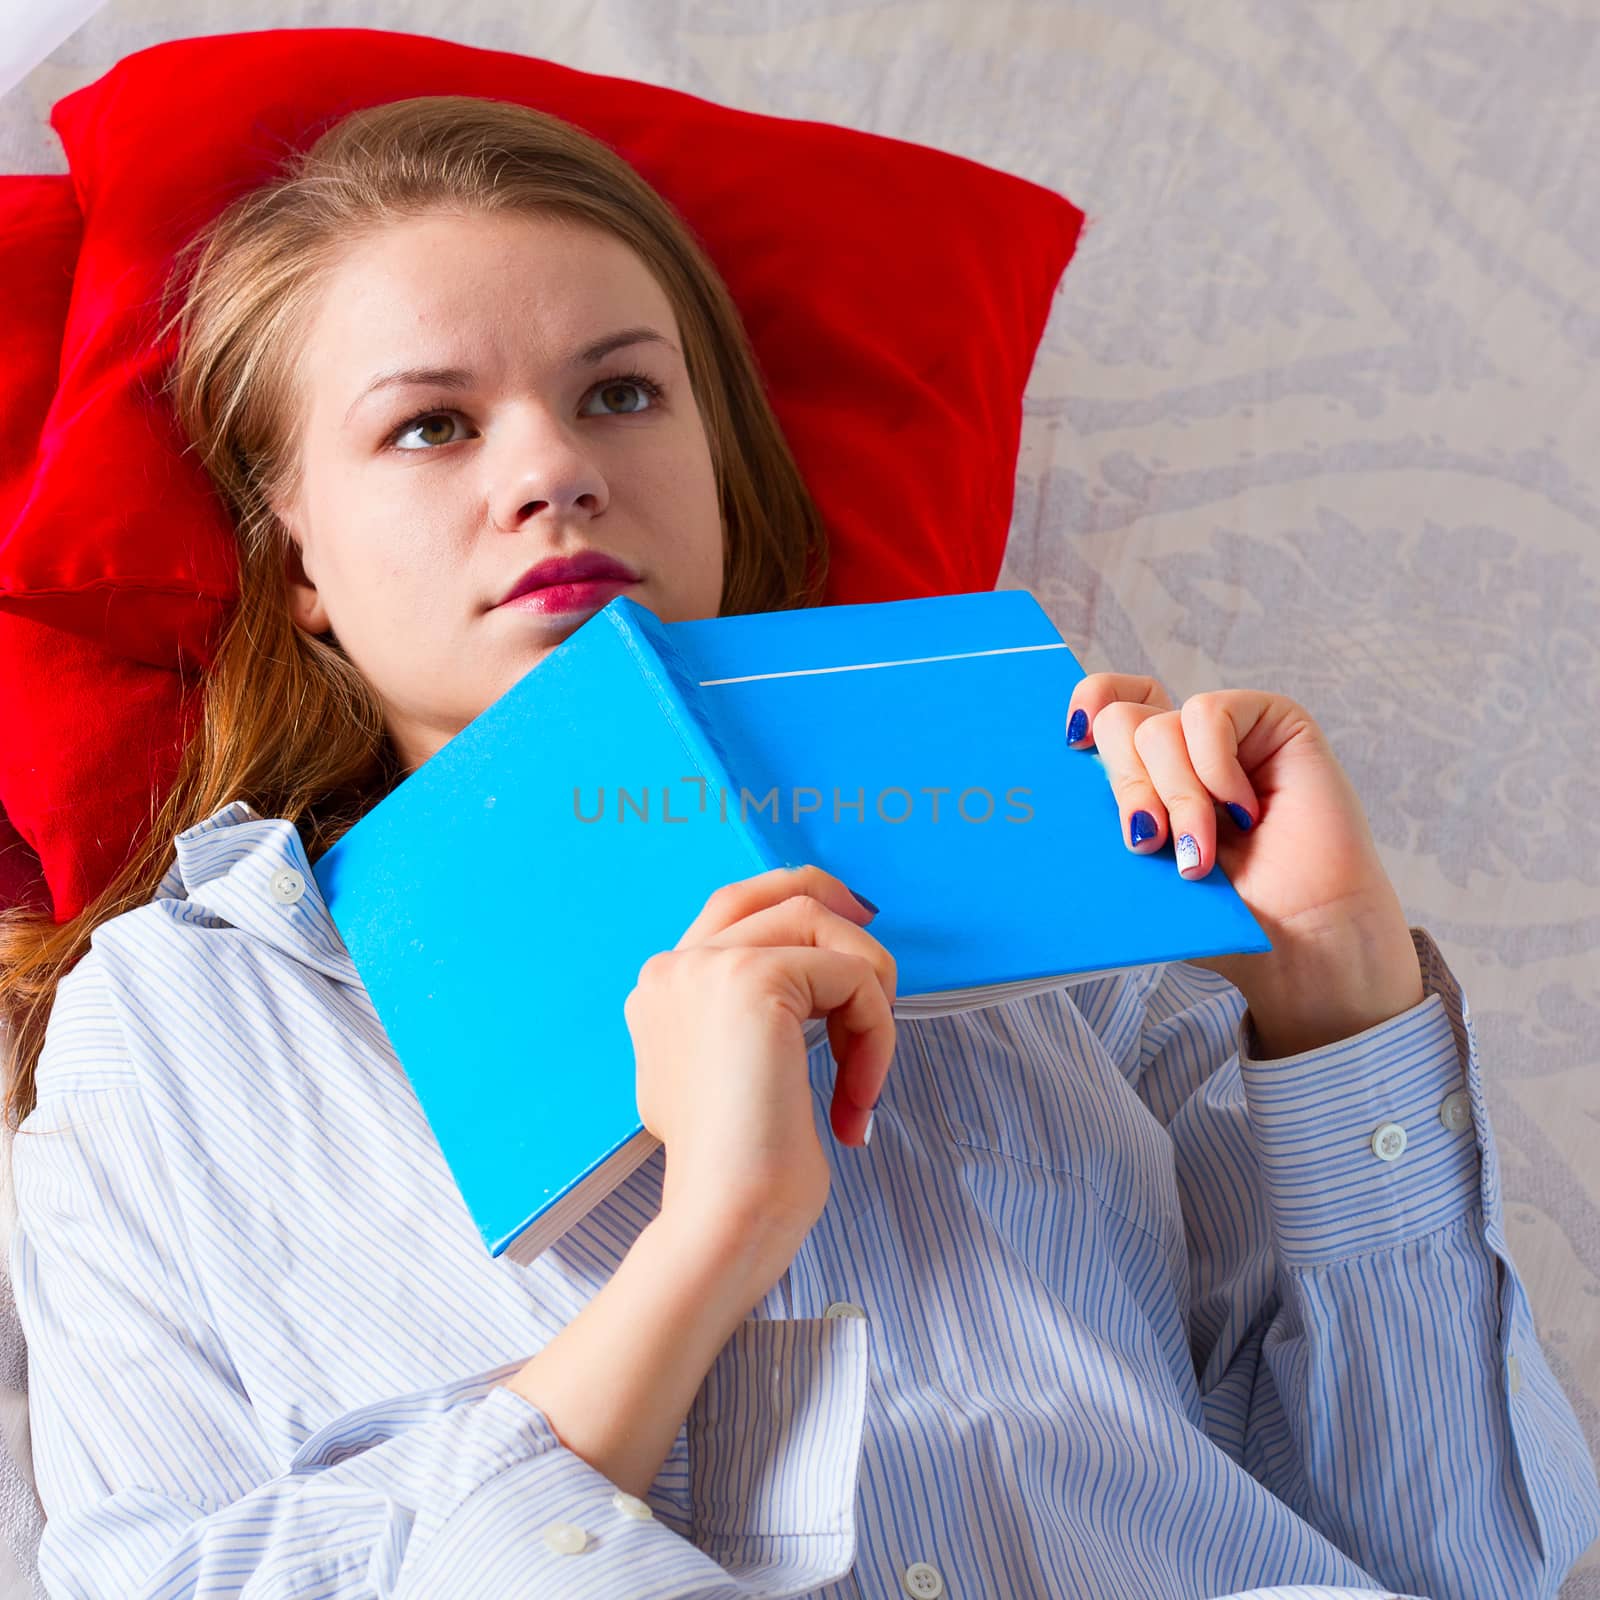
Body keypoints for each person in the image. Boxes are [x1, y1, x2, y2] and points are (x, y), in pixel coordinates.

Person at [0, 93, 1595, 1600]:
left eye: (621, 392)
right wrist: (713, 1240)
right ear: (296, 560)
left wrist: (1334, 988)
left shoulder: (1053, 872)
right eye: (428, 427)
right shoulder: (185, 1024)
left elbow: (1455, 1553)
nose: (554, 471)